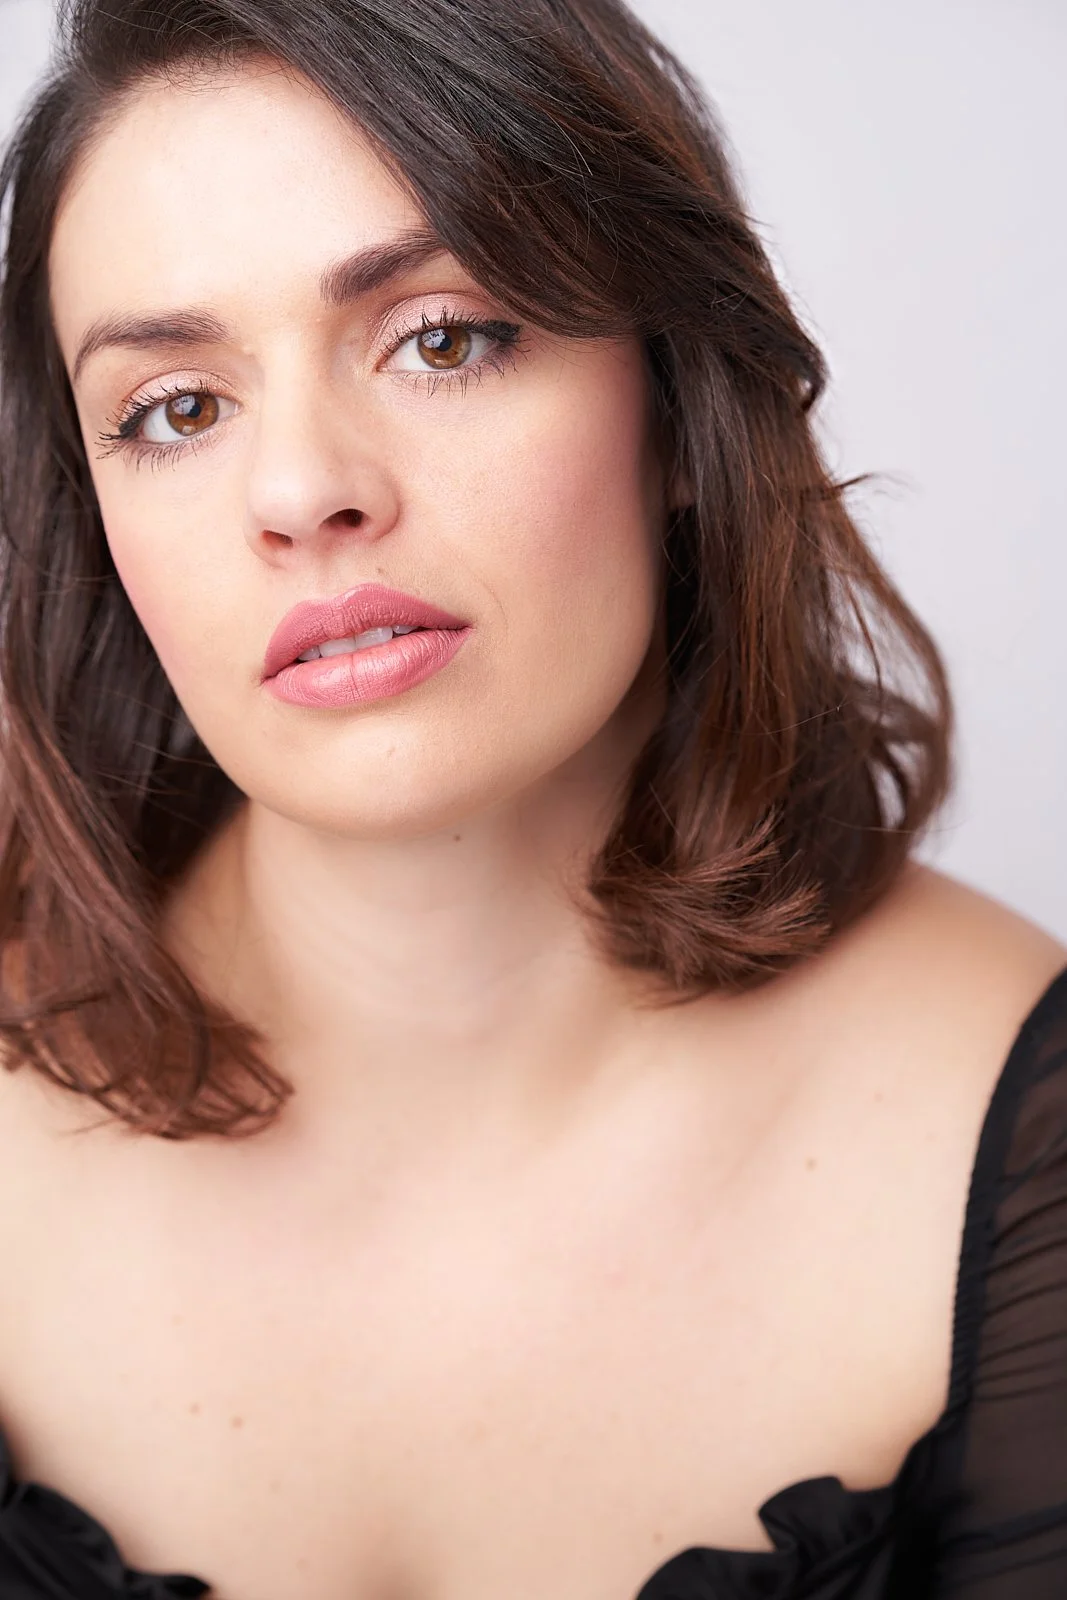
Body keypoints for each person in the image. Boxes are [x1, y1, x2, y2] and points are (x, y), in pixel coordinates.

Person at [0, 0, 1064, 1595]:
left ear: (679, 400)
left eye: (441, 338)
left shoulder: (1011, 1134)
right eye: (179, 408)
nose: (302, 491)